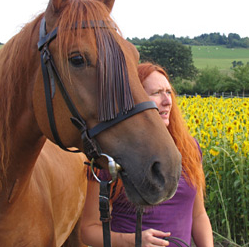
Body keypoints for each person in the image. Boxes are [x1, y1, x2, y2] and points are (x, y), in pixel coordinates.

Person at [81, 62, 214, 247]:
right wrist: (133, 241)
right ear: (135, 99)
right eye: (157, 93)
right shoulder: (108, 154)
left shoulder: (188, 148)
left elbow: (198, 214)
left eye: (168, 92)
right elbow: (88, 231)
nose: (167, 101)